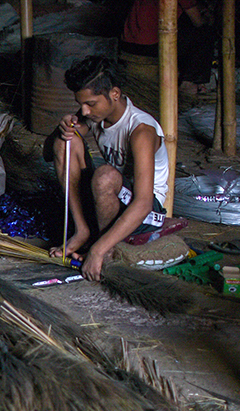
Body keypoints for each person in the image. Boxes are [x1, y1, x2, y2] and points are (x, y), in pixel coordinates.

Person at [44, 56, 171, 281]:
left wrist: (97, 250)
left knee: (105, 176)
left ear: (114, 94)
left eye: (90, 104)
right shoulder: (96, 114)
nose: (83, 111)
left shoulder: (141, 130)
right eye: (81, 103)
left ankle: (105, 248)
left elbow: (142, 203)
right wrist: (62, 129)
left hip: (146, 212)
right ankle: (82, 231)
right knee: (66, 142)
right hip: (112, 198)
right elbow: (50, 152)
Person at [120, 0, 214, 95]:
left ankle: (184, 78)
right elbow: (198, 21)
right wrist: (208, 19)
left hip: (128, 41)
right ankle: (188, 83)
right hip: (151, 44)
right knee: (205, 32)